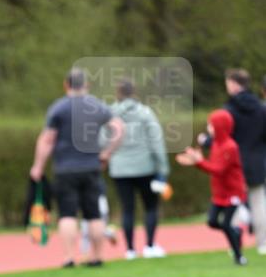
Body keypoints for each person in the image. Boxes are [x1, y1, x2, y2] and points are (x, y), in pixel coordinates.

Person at [30, 68, 123, 267]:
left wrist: (38, 166)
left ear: (66, 85)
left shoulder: (59, 108)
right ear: (86, 85)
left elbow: (47, 139)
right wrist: (107, 153)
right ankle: (97, 256)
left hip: (65, 168)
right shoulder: (97, 106)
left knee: (67, 214)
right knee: (94, 215)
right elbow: (119, 129)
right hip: (91, 167)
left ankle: (70, 257)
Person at [106, 78, 170, 259]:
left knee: (127, 209)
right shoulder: (145, 113)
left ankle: (130, 250)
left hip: (119, 169)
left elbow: (103, 140)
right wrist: (163, 168)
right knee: (150, 207)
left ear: (117, 93)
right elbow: (157, 142)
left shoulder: (110, 114)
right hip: (145, 168)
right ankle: (149, 246)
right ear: (134, 92)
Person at [176, 110, 248, 265]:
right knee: (212, 221)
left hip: (233, 193)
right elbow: (210, 161)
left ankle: (239, 257)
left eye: (211, 125)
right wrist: (196, 158)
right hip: (220, 193)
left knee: (227, 224)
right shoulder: (216, 143)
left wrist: (198, 162)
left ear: (220, 127)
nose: (209, 127)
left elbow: (219, 170)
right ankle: (236, 232)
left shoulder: (230, 147)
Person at [224, 69, 266, 255]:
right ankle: (263, 244)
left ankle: (235, 245)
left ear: (233, 83)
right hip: (257, 160)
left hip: (234, 162)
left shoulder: (228, 110)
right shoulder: (260, 108)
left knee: (233, 203)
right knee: (259, 202)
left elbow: (222, 137)